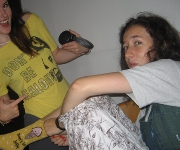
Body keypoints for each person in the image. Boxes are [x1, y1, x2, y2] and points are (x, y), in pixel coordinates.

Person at [48, 12, 179, 149]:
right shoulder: (147, 106)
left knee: (89, 102)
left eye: (137, 43)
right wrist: (82, 133)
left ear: (163, 44)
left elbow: (80, 87)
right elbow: (135, 140)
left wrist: (61, 124)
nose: (127, 54)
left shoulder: (170, 69)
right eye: (125, 47)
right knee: (95, 100)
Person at [0, 0, 91, 149]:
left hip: (73, 106)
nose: (4, 14)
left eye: (5, 5)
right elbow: (4, 104)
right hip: (39, 121)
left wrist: (82, 49)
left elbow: (56, 55)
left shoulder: (30, 22)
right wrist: (3, 118)